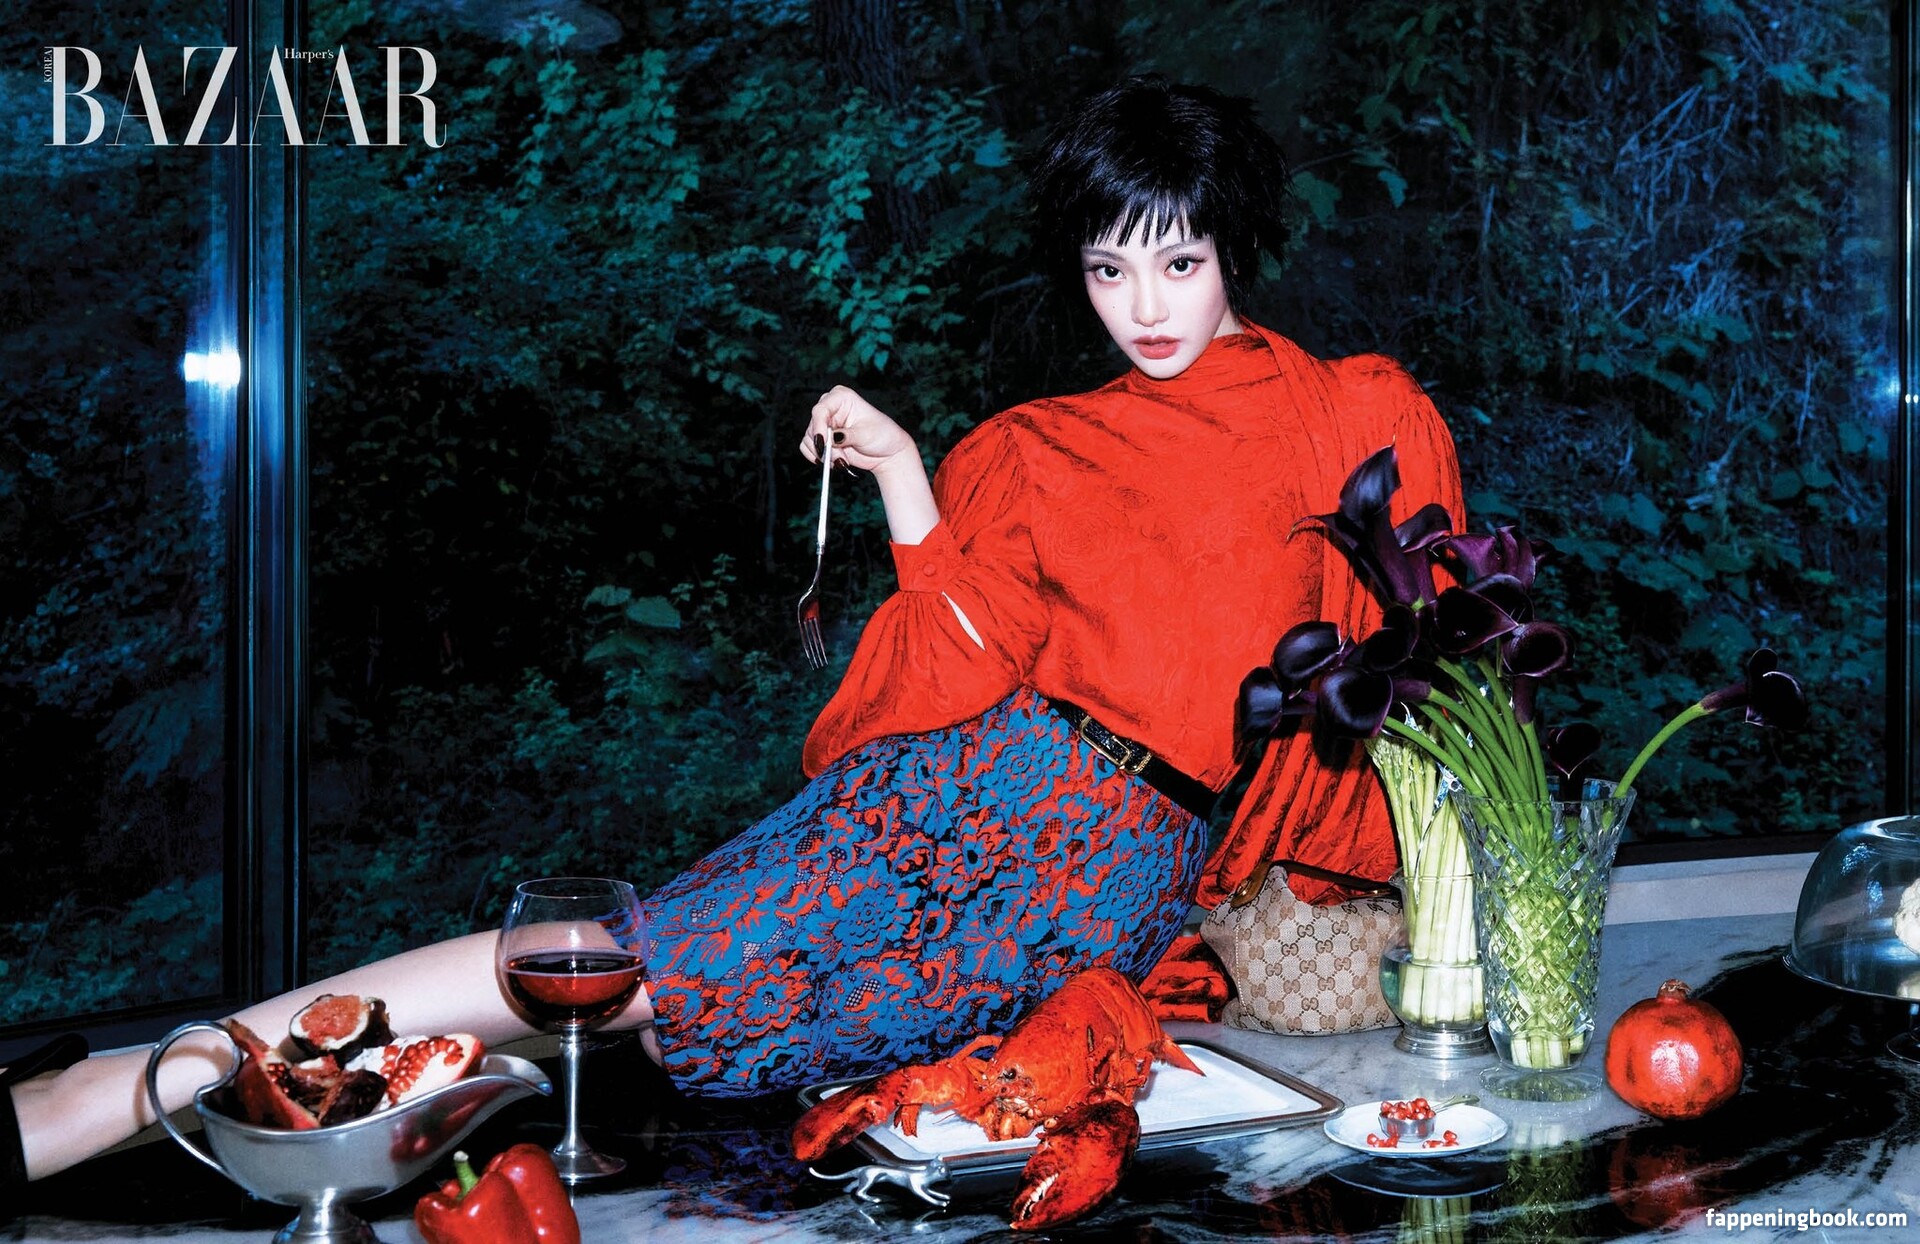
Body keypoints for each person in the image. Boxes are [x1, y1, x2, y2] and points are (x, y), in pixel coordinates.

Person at [6, 74, 1461, 1183]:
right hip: (981, 797)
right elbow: (962, 657)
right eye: (1107, 269)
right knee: (621, 965)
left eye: (1178, 262)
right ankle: (135, 1085)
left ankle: (177, 1095)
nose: (1142, 306)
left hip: (1117, 889)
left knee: (668, 1011)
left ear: (1233, 246)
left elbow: (1421, 671)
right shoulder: (1037, 448)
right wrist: (905, 476)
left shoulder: (1354, 417)